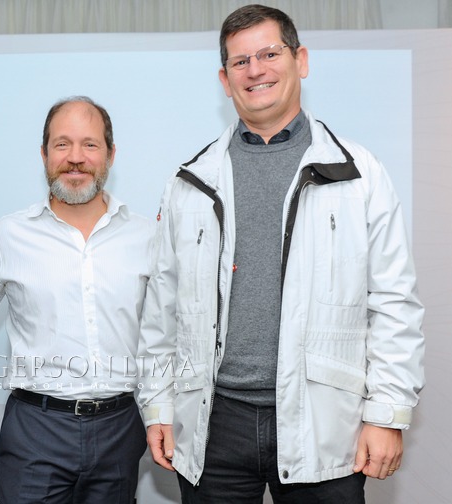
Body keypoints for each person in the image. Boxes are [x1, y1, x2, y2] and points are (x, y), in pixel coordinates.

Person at [137, 4, 425, 503]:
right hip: (213, 426)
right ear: (225, 80)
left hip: (325, 424)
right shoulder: (189, 182)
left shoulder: (359, 174)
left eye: (269, 54)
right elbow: (162, 309)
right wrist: (158, 406)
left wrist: (387, 415)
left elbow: (394, 303)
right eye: (240, 61)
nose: (256, 70)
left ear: (301, 60)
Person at [0, 96, 152, 503]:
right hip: (35, 431)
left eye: (90, 144)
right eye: (62, 144)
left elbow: (166, 334)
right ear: (44, 154)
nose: (76, 157)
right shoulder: (7, 236)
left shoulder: (147, 237)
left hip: (120, 430)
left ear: (111, 154)